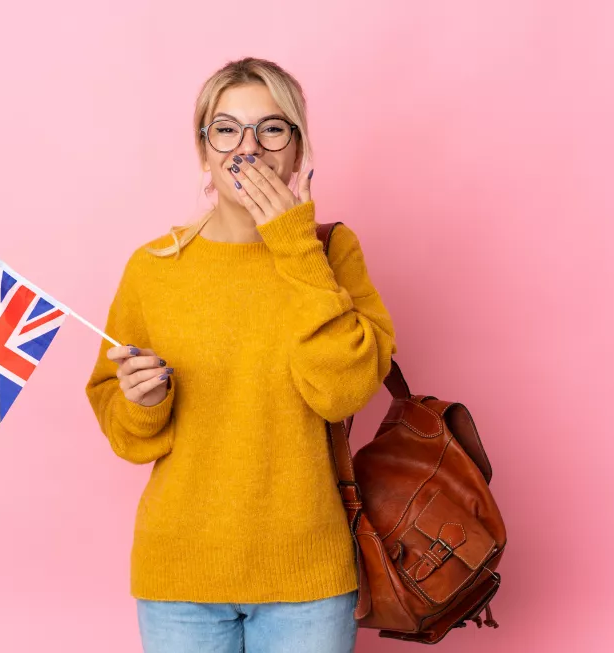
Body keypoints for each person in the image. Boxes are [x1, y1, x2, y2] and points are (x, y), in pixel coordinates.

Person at [84, 56, 397, 653]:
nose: (247, 148)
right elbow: (125, 435)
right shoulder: (155, 268)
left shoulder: (332, 252)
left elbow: (343, 390)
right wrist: (145, 404)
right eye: (226, 129)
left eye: (271, 128)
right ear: (204, 150)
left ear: (297, 148)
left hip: (306, 577)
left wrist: (293, 245)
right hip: (179, 575)